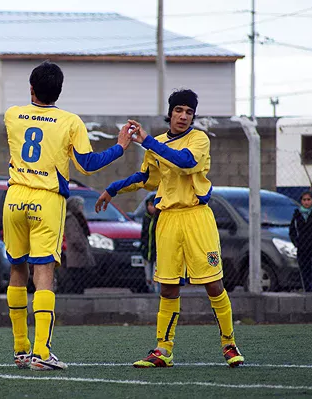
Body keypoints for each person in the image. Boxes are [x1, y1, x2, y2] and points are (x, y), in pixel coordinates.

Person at [95, 89, 245, 368]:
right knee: (167, 286)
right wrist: (112, 189)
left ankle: (229, 344)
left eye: (189, 112)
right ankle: (163, 350)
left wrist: (148, 141)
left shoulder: (198, 139)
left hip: (197, 218)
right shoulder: (158, 143)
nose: (184, 116)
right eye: (179, 110)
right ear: (171, 112)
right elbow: (146, 178)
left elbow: (186, 163)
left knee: (213, 283)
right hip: (168, 221)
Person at [3, 61, 134, 371]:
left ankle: (20, 349)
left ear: (31, 89)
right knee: (44, 273)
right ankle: (41, 352)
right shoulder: (70, 121)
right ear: (59, 91)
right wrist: (119, 147)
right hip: (46, 199)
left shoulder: (12, 115)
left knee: (17, 270)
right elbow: (87, 164)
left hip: (14, 196)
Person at [62, 196, 96, 293]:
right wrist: (82, 247)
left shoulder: (78, 218)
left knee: (81, 279)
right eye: (81, 205)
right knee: (76, 279)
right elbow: (74, 237)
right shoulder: (71, 219)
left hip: (80, 253)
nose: (82, 207)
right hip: (76, 254)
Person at [141, 194, 159, 294]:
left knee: (155, 276)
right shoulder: (146, 217)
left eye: (153, 205)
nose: (151, 208)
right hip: (147, 250)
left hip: (157, 251)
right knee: (148, 276)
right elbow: (143, 234)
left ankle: (157, 293)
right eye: (149, 205)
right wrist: (143, 246)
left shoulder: (160, 218)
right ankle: (150, 290)